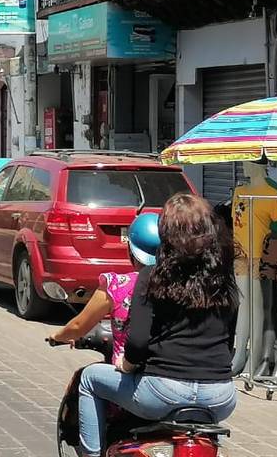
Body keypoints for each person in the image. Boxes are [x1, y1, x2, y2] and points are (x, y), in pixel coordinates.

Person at [75, 194, 239, 457]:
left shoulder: (151, 276)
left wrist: (126, 366)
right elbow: (229, 343)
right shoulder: (224, 279)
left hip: (162, 392)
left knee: (89, 379)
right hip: (220, 397)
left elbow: (138, 342)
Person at [49, 212, 161, 365]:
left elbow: (77, 327)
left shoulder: (116, 285)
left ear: (130, 250)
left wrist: (57, 336)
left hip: (127, 369)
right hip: (170, 367)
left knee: (86, 376)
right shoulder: (180, 285)